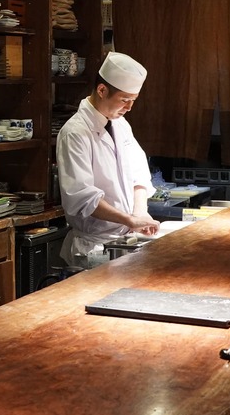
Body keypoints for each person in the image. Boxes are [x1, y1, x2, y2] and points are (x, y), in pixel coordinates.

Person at [56, 52, 160, 267]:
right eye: (124, 100)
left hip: (127, 240)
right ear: (102, 90)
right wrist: (128, 220)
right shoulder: (75, 132)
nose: (129, 108)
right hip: (94, 247)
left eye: (133, 101)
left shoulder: (120, 124)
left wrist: (139, 214)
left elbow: (138, 174)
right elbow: (81, 197)